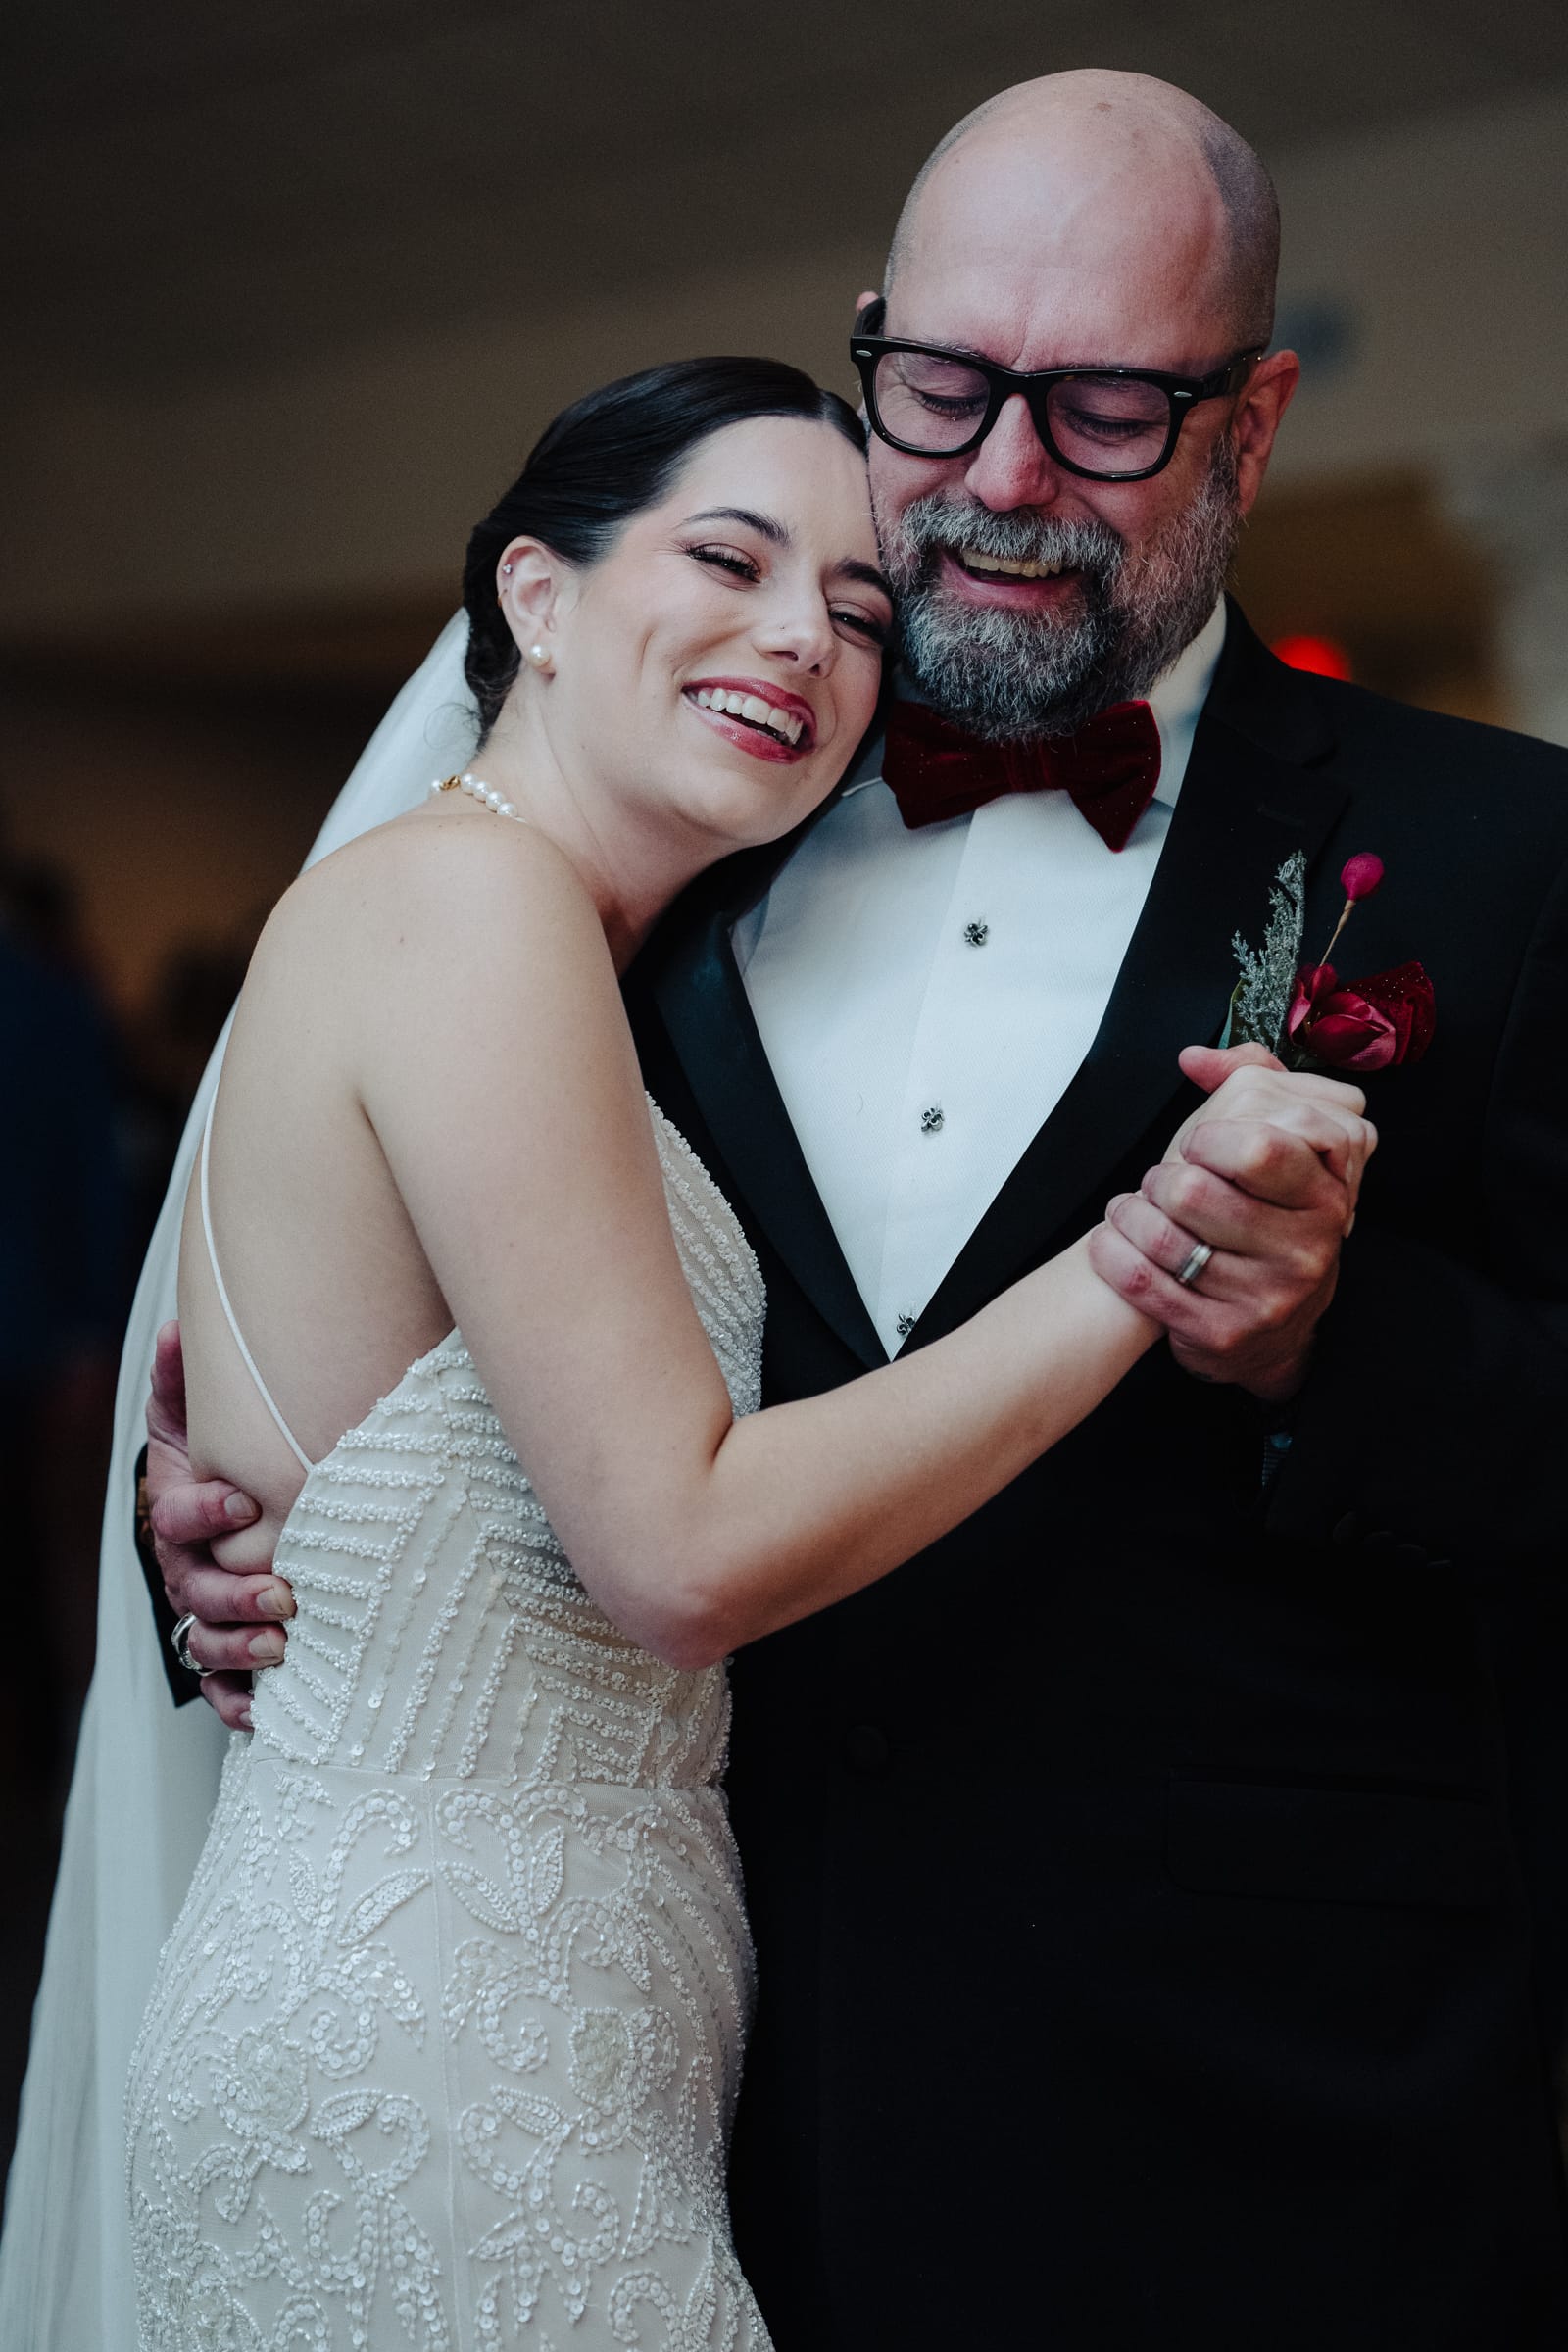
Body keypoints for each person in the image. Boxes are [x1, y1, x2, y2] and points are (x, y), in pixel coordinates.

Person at [31, 61, 1568, 2347]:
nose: (1002, 477)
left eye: (1104, 410)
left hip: (1256, 2126)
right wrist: (260, 1537)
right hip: (680, 2121)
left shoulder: (1501, 857)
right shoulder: (668, 841)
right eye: (939, 389)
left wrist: (1333, 1350)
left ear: (1248, 428)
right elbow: (456, 1366)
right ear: (873, 347)